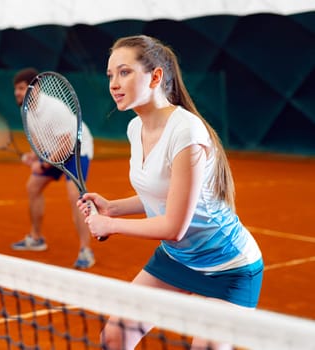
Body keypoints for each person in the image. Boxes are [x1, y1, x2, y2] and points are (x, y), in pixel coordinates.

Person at [77, 35, 264, 349]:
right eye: (110, 75)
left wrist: (110, 226)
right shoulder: (135, 128)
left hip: (228, 267)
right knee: (115, 336)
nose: (114, 83)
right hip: (177, 259)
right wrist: (113, 208)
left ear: (155, 76)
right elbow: (162, 193)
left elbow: (174, 226)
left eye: (124, 72)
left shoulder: (186, 131)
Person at [11, 68, 96, 269]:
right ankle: (36, 238)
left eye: (22, 88)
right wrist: (35, 156)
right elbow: (40, 141)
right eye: (16, 89)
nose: (18, 93)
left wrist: (44, 164)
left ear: (35, 87)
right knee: (33, 187)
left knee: (76, 196)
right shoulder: (26, 110)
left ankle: (86, 250)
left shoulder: (54, 108)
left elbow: (67, 144)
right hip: (57, 149)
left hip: (77, 150)